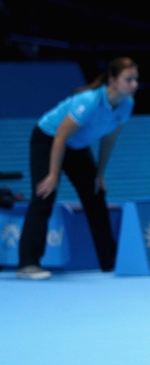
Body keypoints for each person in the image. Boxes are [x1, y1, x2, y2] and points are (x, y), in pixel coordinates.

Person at [16, 57, 139, 280]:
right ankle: (28, 263)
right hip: (48, 139)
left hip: (76, 146)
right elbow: (61, 135)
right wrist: (53, 175)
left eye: (135, 79)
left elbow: (108, 140)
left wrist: (99, 173)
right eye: (128, 79)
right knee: (44, 194)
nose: (134, 84)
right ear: (112, 81)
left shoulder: (127, 105)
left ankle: (109, 262)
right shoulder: (89, 101)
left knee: (96, 193)